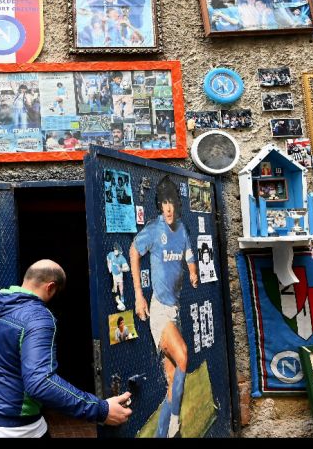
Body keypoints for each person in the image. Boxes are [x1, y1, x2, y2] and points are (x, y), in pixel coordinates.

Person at [0, 260, 132, 437]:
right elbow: (41, 383)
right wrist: (100, 410)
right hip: (9, 427)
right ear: (50, 287)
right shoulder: (39, 319)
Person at [130, 177, 198, 438]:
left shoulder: (181, 230)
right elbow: (134, 252)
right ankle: (175, 422)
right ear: (160, 206)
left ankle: (164, 435)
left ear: (177, 205)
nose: (168, 209)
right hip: (159, 310)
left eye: (171, 203)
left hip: (175, 309)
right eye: (164, 204)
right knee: (182, 355)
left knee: (172, 384)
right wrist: (138, 295)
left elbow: (190, 257)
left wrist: (192, 273)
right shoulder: (153, 229)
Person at [107, 243, 130, 311]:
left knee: (121, 288)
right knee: (115, 288)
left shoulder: (122, 258)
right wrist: (109, 266)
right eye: (115, 250)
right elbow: (108, 257)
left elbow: (127, 268)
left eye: (117, 250)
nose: (115, 251)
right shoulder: (111, 254)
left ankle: (122, 297)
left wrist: (121, 269)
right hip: (114, 275)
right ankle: (119, 301)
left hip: (119, 275)